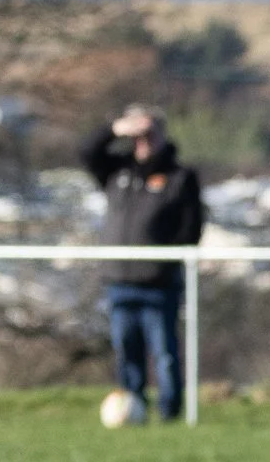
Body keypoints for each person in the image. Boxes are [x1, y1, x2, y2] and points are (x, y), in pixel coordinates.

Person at [82, 106, 205, 422]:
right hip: (120, 279)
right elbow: (86, 152)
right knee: (126, 349)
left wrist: (165, 262)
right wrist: (114, 129)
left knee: (164, 352)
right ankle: (132, 407)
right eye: (138, 135)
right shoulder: (117, 172)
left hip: (158, 282)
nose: (144, 141)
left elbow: (191, 228)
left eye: (150, 134)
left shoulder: (180, 177)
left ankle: (170, 411)